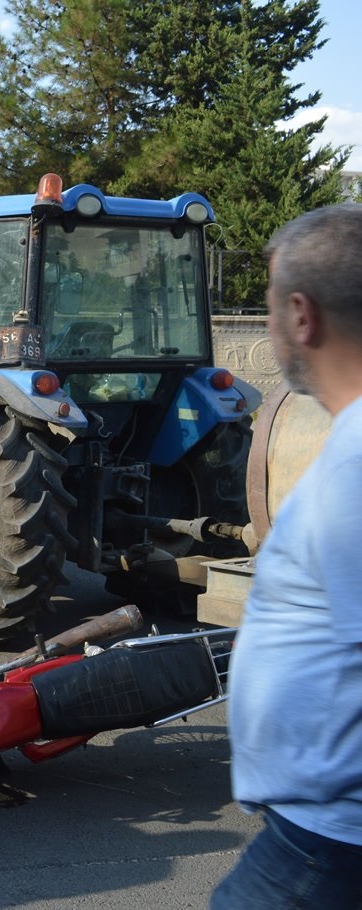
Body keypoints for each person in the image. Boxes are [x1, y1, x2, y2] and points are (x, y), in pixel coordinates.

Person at [212, 204, 362, 909]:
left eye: (269, 309)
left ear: (302, 315)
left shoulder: (357, 465)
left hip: (324, 846)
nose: (267, 330)